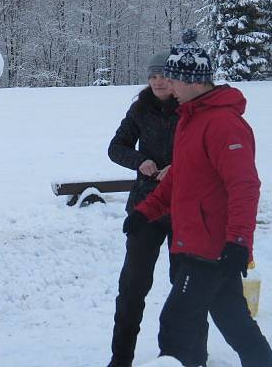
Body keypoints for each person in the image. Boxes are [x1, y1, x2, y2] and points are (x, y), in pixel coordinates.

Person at [124, 30, 272, 367]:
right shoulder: (190, 121)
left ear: (192, 80)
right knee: (235, 324)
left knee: (176, 326)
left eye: (172, 79)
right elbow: (179, 178)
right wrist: (145, 211)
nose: (168, 87)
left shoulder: (224, 124)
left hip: (211, 248)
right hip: (191, 241)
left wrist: (238, 241)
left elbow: (245, 186)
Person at [107, 51, 204, 367]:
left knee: (187, 287)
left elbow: (206, 154)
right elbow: (116, 147)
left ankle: (191, 357)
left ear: (176, 79)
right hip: (145, 208)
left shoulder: (192, 109)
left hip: (185, 210)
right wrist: (140, 162)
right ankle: (121, 359)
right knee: (132, 288)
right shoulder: (140, 108)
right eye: (152, 77)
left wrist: (179, 168)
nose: (158, 82)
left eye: (163, 76)